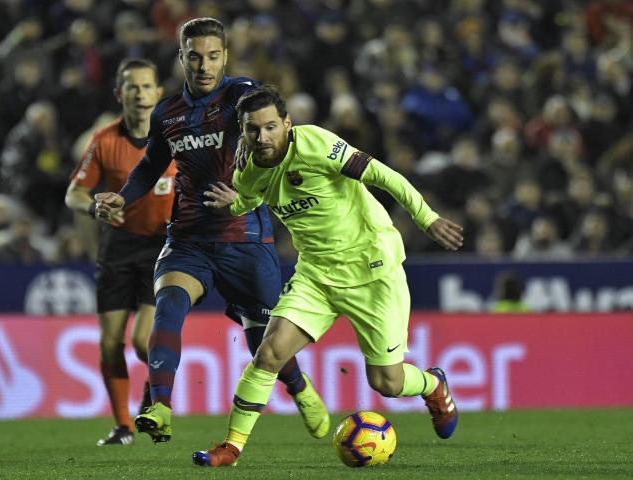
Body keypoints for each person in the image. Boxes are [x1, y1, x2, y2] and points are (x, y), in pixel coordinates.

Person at [193, 85, 464, 467]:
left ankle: (433, 385)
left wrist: (427, 218)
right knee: (269, 353)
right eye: (253, 130)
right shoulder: (249, 170)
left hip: (373, 271)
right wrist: (233, 203)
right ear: (243, 130)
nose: (262, 137)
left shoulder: (317, 144)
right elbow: (251, 198)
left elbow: (383, 176)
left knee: (387, 382)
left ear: (287, 124)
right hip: (316, 276)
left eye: (271, 127)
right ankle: (231, 448)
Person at [93, 18, 328, 444]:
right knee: (168, 306)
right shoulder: (167, 114)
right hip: (188, 238)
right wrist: (121, 198)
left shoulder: (241, 97)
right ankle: (159, 406)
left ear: (226, 57)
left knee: (265, 343)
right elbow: (149, 167)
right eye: (195, 56)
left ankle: (299, 387)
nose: (204, 65)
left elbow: (275, 134)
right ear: (181, 57)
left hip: (245, 238)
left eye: (213, 56)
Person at [65, 58, 177, 446]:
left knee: (144, 342)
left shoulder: (175, 140)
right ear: (119, 94)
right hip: (117, 247)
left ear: (158, 93)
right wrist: (93, 204)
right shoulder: (105, 141)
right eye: (132, 87)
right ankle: (123, 426)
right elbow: (73, 193)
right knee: (111, 343)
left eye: (147, 86)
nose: (141, 94)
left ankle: (157, 399)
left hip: (162, 247)